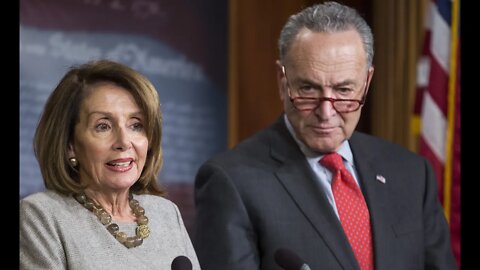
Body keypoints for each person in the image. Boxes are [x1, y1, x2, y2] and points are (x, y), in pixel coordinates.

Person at [192, 2, 457, 270]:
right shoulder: (231, 182)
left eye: (343, 91)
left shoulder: (410, 173)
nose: (326, 112)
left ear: (366, 82)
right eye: (308, 89)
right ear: (283, 82)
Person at [20, 59, 201, 269]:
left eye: (136, 125)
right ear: (70, 145)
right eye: (103, 126)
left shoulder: (166, 214)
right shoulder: (42, 216)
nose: (124, 142)